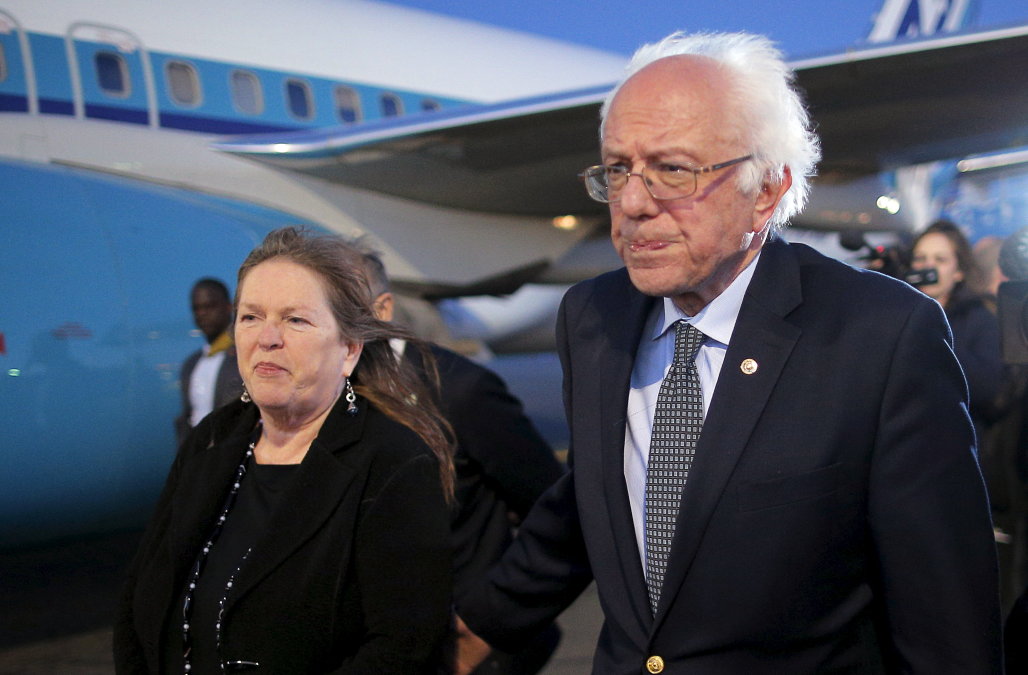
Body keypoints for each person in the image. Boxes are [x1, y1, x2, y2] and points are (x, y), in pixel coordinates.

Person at [456, 31, 1002, 673]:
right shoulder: (591, 317)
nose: (632, 203)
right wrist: (477, 627)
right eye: (619, 169)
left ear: (766, 189)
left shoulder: (881, 335)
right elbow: (596, 497)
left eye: (673, 170)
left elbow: (944, 620)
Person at [115, 227, 456, 673]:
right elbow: (139, 603)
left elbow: (402, 648)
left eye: (296, 320)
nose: (267, 338)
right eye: (251, 317)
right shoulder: (211, 441)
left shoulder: (393, 462)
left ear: (349, 349)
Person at [356, 242, 566, 675]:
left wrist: (491, 623)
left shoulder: (460, 390)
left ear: (382, 308)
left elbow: (556, 510)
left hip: (463, 653)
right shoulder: (328, 396)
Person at [174, 278, 244, 444]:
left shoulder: (244, 357)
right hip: (200, 458)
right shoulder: (191, 364)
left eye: (209, 306)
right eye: (196, 308)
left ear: (229, 307)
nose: (202, 314)